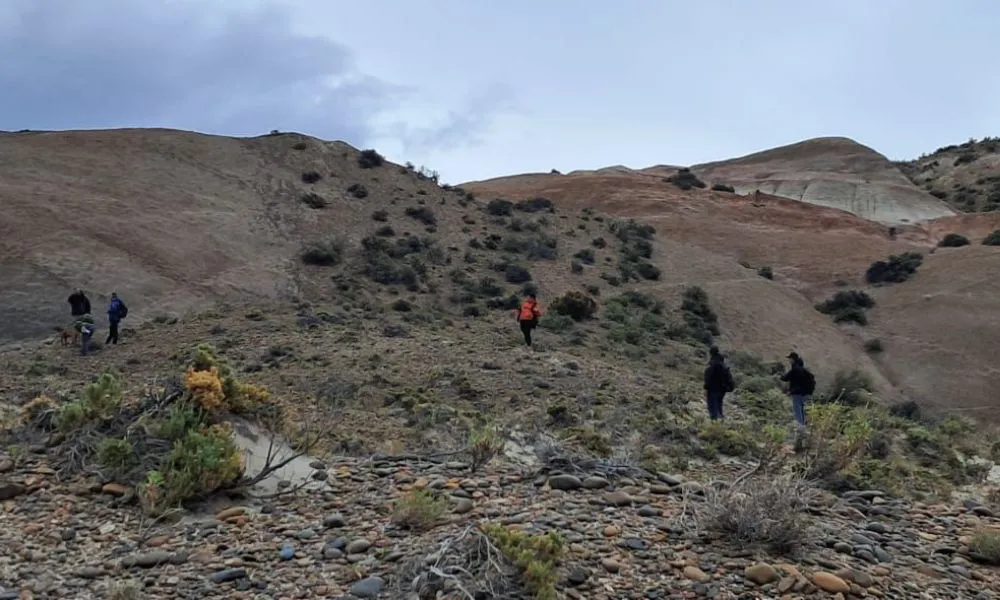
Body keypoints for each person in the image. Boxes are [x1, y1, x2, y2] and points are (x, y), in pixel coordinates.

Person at [780, 351, 816, 427]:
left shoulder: (795, 369)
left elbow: (785, 378)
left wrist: (780, 375)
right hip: (805, 393)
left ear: (793, 359)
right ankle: (803, 426)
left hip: (797, 393)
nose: (789, 360)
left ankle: (800, 427)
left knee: (797, 410)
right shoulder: (803, 370)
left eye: (790, 359)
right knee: (802, 410)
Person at [703, 346, 736, 421]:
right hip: (722, 390)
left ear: (711, 353)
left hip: (713, 389)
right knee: (719, 406)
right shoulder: (723, 363)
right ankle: (721, 421)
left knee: (713, 408)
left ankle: (715, 424)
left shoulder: (712, 364)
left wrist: (706, 387)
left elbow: (708, 377)